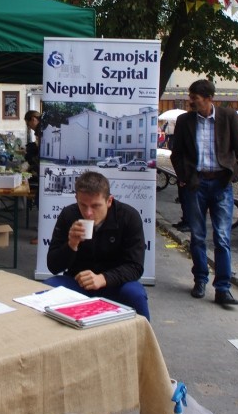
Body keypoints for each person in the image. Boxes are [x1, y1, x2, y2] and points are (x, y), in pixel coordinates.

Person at [171, 79, 238, 307]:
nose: (190, 101)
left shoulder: (228, 117)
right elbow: (177, 154)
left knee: (222, 238)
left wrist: (234, 173)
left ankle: (223, 288)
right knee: (197, 236)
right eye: (190, 97)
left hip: (221, 184)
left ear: (208, 98)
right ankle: (200, 279)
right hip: (196, 184)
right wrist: (184, 177)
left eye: (194, 97)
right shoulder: (184, 121)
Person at [45, 172, 150, 319]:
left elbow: (135, 266)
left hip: (116, 283)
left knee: (135, 294)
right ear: (76, 199)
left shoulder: (128, 217)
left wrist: (104, 278)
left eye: (95, 206)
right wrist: (71, 244)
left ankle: (145, 339)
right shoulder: (69, 215)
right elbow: (53, 266)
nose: (88, 213)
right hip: (77, 282)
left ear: (109, 201)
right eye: (83, 205)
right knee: (47, 289)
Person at [24, 110, 42, 245]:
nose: (30, 128)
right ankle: (42, 230)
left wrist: (31, 161)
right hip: (41, 170)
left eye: (29, 125)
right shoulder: (42, 128)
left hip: (44, 171)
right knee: (38, 201)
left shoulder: (42, 129)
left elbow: (41, 152)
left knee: (40, 201)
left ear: (33, 119)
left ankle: (42, 234)